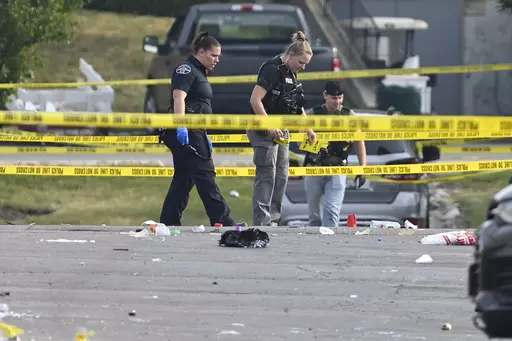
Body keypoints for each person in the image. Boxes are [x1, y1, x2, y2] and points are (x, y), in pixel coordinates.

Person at [158, 32, 245, 228]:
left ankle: (169, 221)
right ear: (202, 52)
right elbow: (178, 97)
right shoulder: (186, 70)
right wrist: (181, 125)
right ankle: (223, 220)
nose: (217, 60)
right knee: (205, 175)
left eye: (218, 56)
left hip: (196, 130)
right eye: (214, 55)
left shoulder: (199, 71)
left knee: (184, 179)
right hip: (187, 129)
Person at [247, 30, 317, 227]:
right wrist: (269, 126)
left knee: (282, 175)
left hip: (282, 130)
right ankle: (262, 222)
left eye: (305, 65)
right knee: (266, 175)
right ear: (291, 55)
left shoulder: (292, 74)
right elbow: (255, 100)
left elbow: (296, 105)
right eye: (301, 63)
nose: (302, 67)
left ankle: (274, 220)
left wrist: (307, 129)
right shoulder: (272, 69)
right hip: (263, 129)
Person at [303, 80, 367, 227]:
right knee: (314, 215)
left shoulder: (348, 115)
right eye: (333, 98)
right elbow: (299, 136)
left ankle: (329, 243)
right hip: (315, 167)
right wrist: (311, 138)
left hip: (338, 168)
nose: (337, 102)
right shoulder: (314, 114)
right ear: (324, 95)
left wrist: (362, 168)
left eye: (340, 98)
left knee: (332, 212)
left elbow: (359, 142)